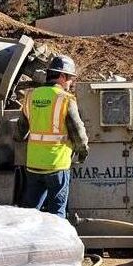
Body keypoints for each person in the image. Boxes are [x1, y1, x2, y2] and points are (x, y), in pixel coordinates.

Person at [17, 55, 89, 218]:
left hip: (34, 164)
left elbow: (20, 130)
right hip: (57, 164)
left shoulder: (30, 96)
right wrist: (83, 150)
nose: (71, 83)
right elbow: (77, 132)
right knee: (57, 212)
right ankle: (58, 243)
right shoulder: (65, 99)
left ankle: (30, 242)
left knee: (30, 213)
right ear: (62, 76)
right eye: (70, 78)